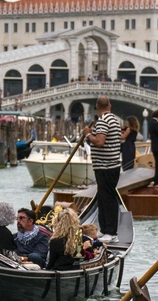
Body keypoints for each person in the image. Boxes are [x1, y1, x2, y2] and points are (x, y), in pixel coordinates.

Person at [85, 96, 122, 240]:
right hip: (110, 165)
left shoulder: (103, 121)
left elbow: (100, 142)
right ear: (110, 106)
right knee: (103, 197)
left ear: (97, 107)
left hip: (106, 166)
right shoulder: (114, 119)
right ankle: (105, 228)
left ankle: (111, 232)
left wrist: (88, 134)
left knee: (108, 198)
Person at [46, 205, 83, 270]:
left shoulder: (55, 240)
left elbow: (51, 262)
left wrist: (46, 270)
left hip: (58, 272)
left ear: (60, 223)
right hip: (74, 271)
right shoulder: (78, 238)